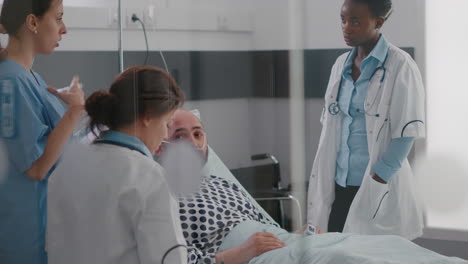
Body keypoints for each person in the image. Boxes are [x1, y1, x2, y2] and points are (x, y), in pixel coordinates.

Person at [162, 110, 466, 264]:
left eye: (198, 134)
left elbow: (260, 225)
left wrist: (296, 234)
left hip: (283, 244)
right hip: (252, 257)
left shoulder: (218, 182)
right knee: (347, 259)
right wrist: (239, 253)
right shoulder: (161, 197)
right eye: (178, 136)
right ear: (159, 146)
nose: (192, 143)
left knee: (388, 246)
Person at [307, 0, 426, 239]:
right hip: (338, 184)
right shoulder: (340, 64)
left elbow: (406, 134)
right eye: (343, 20)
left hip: (375, 187)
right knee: (336, 252)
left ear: (378, 22)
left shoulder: (401, 65)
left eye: (355, 21)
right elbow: (332, 125)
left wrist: (378, 180)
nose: (346, 28)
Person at [46, 66, 187, 264]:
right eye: (167, 123)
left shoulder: (66, 169)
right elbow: (169, 259)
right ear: (148, 116)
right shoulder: (151, 177)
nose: (165, 135)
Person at [0, 0, 84, 263]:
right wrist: (73, 112)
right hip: (26, 237)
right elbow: (36, 168)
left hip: (47, 227)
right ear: (33, 22)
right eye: (58, 18)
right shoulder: (10, 82)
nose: (64, 29)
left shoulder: (29, 78)